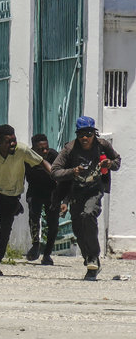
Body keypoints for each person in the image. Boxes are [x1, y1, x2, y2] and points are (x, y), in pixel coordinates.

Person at [0, 124, 50, 276]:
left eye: (14, 140)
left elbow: (41, 162)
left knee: (5, 233)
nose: (13, 144)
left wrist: (55, 174)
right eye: (8, 141)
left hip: (12, 196)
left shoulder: (21, 150)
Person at [51, 116, 121, 281]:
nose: (84, 138)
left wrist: (109, 164)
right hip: (75, 192)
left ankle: (93, 257)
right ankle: (89, 259)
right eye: (81, 134)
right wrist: (72, 172)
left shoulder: (102, 145)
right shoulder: (70, 149)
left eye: (88, 134)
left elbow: (118, 161)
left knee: (88, 215)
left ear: (94, 134)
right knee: (78, 228)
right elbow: (54, 171)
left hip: (94, 190)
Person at [24, 134, 68, 266]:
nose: (44, 152)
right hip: (35, 192)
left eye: (46, 148)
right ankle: (35, 245)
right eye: (41, 149)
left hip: (52, 193)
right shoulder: (27, 157)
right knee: (33, 217)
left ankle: (47, 255)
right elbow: (19, 176)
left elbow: (65, 179)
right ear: (33, 149)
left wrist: (65, 201)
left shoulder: (54, 156)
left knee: (53, 225)